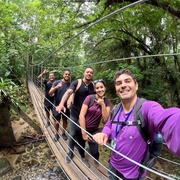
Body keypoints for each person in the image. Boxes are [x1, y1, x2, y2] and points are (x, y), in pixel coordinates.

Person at [93, 69, 180, 180]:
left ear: (136, 85)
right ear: (116, 90)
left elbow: (166, 118)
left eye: (127, 81)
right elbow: (108, 125)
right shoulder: (115, 109)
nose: (123, 85)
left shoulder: (147, 108)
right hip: (113, 166)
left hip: (134, 174)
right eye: (119, 83)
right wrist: (104, 133)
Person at [56, 67, 95, 166]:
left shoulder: (93, 86)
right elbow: (68, 92)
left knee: (84, 135)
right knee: (72, 134)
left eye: (91, 72)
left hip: (86, 116)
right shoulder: (77, 82)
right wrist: (61, 103)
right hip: (75, 114)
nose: (89, 74)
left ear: (92, 75)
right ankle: (70, 152)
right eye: (87, 72)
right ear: (84, 73)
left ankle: (83, 153)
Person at [79, 79, 111, 167]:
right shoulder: (89, 98)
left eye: (101, 87)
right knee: (81, 145)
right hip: (82, 127)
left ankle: (96, 159)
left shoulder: (107, 102)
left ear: (105, 88)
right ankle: (83, 157)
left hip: (94, 130)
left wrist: (102, 104)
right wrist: (84, 133)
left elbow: (105, 119)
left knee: (95, 150)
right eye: (97, 88)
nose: (100, 90)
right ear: (95, 89)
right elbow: (81, 115)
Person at [49, 70, 71, 142]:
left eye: (68, 74)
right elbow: (50, 93)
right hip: (56, 106)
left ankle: (63, 133)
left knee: (65, 120)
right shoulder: (57, 82)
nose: (67, 75)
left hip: (66, 107)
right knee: (56, 121)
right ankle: (56, 134)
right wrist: (56, 87)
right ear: (63, 75)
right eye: (66, 74)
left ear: (70, 76)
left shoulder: (70, 85)